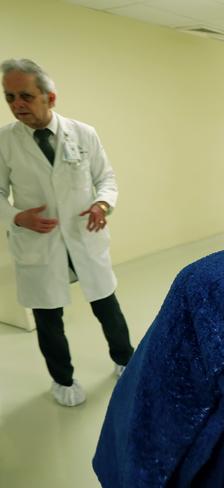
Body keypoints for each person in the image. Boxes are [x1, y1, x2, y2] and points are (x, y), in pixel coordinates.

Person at [0, 59, 133, 407]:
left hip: (83, 235)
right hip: (38, 243)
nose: (17, 105)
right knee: (48, 317)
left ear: (50, 97)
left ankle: (125, 360)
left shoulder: (83, 132)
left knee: (107, 305)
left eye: (26, 96)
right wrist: (16, 217)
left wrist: (102, 205)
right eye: (9, 96)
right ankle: (62, 380)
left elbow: (106, 178)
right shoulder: (4, 140)